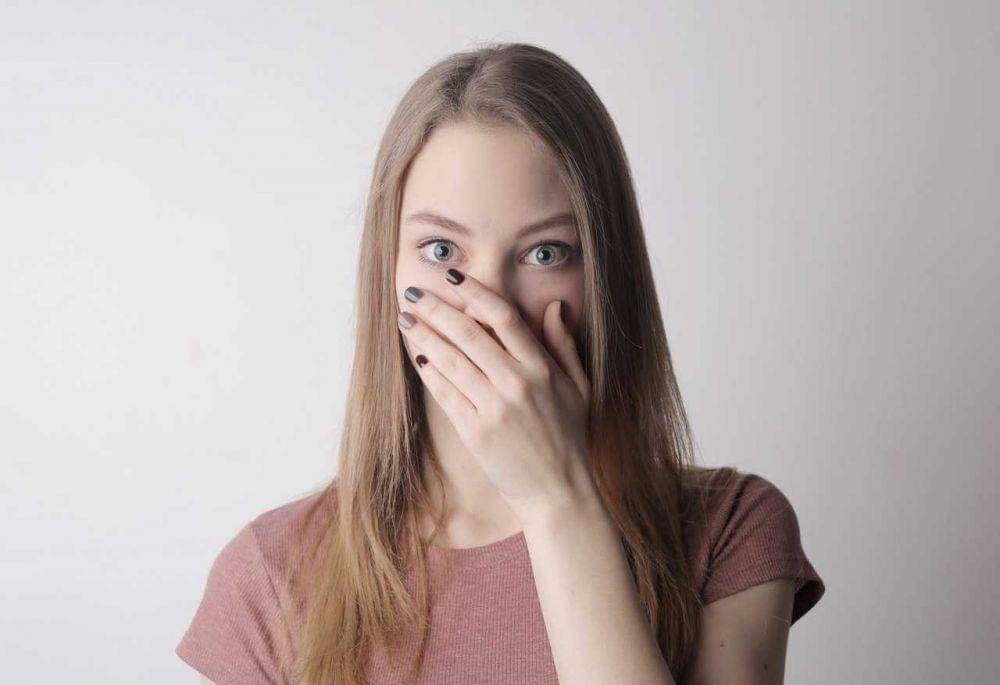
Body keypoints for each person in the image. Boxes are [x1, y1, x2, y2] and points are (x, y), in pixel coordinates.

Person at [175, 41, 824, 684]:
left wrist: (556, 500)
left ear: (604, 274)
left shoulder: (731, 529)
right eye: (441, 250)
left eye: (545, 253)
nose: (490, 307)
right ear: (386, 268)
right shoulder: (271, 576)